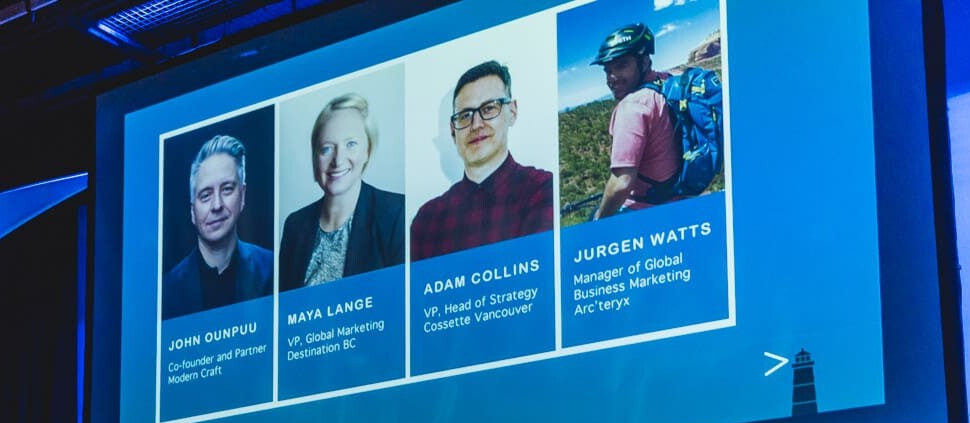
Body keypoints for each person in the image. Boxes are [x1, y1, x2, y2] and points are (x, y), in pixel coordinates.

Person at [410, 61, 555, 261]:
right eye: (465, 115)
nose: (476, 125)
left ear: (512, 112)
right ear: (453, 132)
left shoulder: (544, 190)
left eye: (488, 109)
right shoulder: (427, 220)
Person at [277, 93, 405, 291]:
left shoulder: (396, 213)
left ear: (367, 151)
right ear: (315, 157)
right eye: (327, 149)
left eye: (351, 144)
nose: (338, 160)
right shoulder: (295, 225)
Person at [162, 135, 275, 319]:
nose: (216, 205)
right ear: (192, 211)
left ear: (243, 196)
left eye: (227, 189)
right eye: (205, 195)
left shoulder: (273, 269)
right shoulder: (167, 291)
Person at [590, 23, 679, 219]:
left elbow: (621, 183)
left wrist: (598, 223)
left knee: (593, 216)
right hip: (677, 190)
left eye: (621, 65)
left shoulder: (631, 107)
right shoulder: (668, 82)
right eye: (607, 70)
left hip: (647, 206)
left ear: (644, 60)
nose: (611, 78)